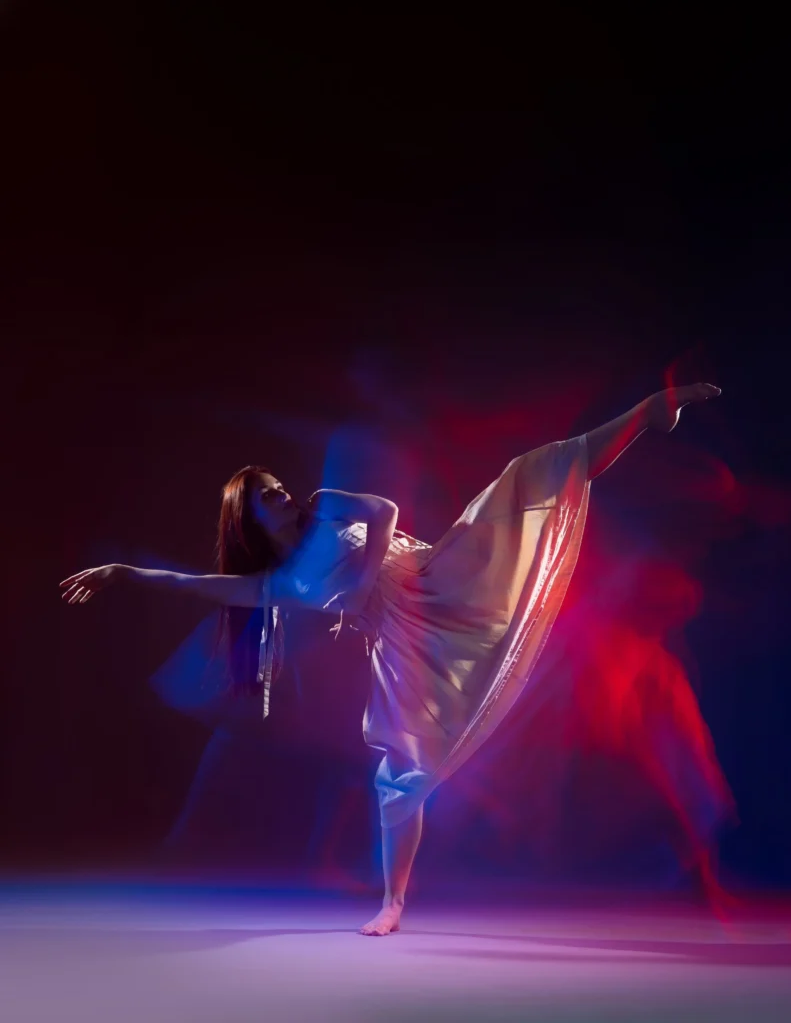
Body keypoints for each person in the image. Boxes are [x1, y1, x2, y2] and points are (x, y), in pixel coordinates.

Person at [61, 382, 721, 935]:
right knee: (399, 776)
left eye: (276, 485)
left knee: (527, 476)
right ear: (250, 520)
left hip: (434, 576)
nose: (282, 494)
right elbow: (196, 585)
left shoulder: (324, 510)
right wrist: (124, 571)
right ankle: (393, 900)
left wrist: (360, 576)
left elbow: (383, 508)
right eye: (266, 495)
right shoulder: (279, 584)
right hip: (402, 640)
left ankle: (644, 416)